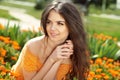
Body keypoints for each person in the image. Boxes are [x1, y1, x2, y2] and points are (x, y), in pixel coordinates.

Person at [11, 1, 90, 80]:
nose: (52, 28)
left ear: (72, 26)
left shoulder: (69, 53)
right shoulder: (33, 46)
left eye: (60, 23)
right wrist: (51, 59)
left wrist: (58, 60)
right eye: (49, 22)